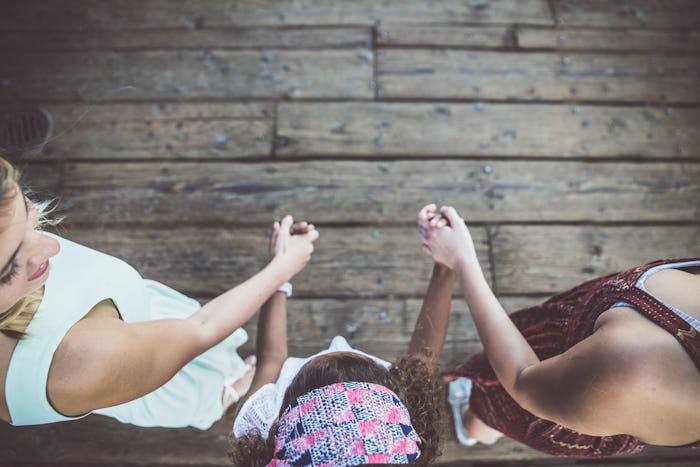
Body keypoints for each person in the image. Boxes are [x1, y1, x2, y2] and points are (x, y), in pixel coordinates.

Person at [0, 156, 319, 429]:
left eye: (29, 213)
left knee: (205, 349)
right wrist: (282, 267)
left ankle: (231, 374)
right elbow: (201, 328)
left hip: (146, 313)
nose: (52, 245)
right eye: (9, 268)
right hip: (158, 382)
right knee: (201, 389)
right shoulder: (78, 362)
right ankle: (223, 396)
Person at [417, 203, 700, 457]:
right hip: (578, 350)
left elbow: (521, 380)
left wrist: (460, 261)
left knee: (495, 405)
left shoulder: (637, 368)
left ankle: (472, 424)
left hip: (562, 398)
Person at [228, 211, 451, 466]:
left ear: (278, 421)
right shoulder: (402, 430)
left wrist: (279, 271)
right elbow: (421, 360)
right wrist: (445, 266)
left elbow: (270, 359)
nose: (338, 341)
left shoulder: (261, 424)